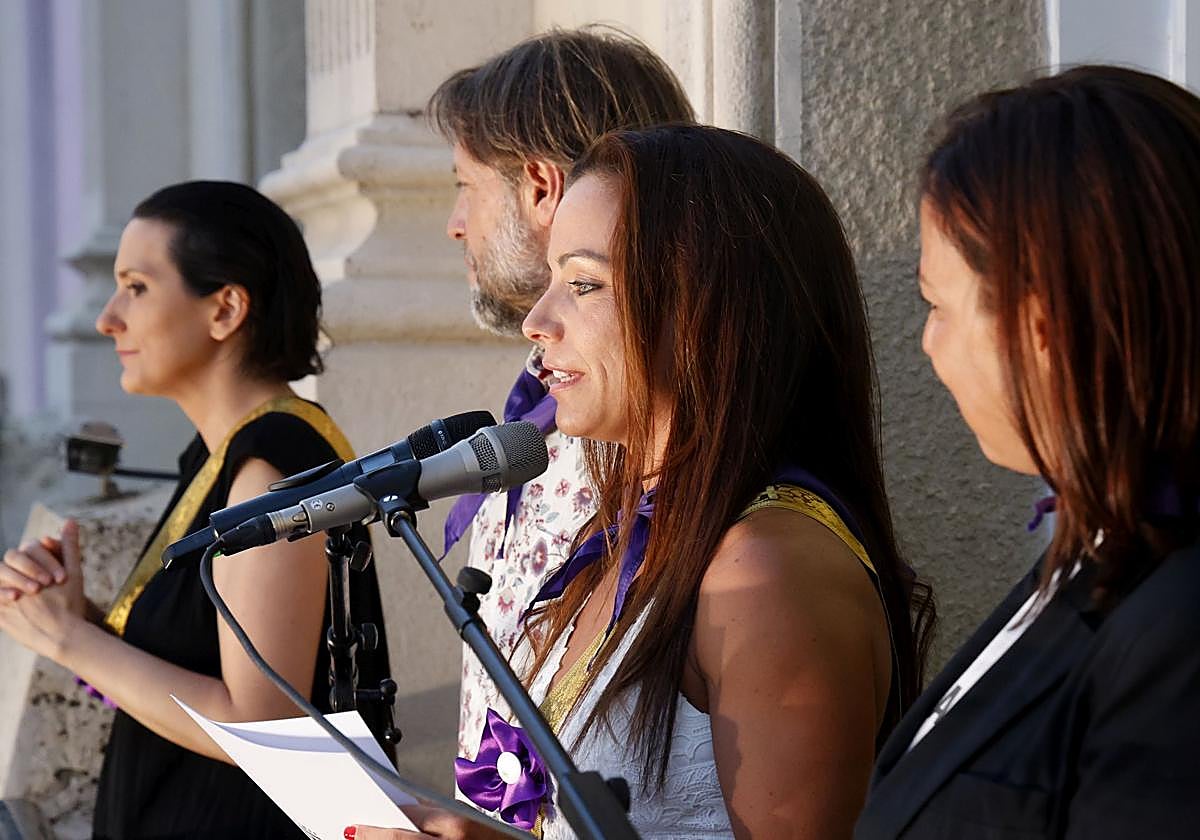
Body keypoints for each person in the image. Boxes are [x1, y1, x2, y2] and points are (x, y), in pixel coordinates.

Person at [352, 125, 935, 840]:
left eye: (584, 284)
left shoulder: (768, 566)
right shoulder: (635, 531)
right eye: (552, 279)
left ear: (705, 311)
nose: (538, 321)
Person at [855, 65, 1200, 839]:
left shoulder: (1178, 627)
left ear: (1043, 326)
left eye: (936, 305)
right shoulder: (1095, 553)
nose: (928, 343)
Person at [0, 181, 392, 839]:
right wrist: (78, 618)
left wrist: (67, 639)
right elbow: (196, 673)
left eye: (136, 287)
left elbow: (263, 722)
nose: (107, 319)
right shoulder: (222, 455)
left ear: (225, 309)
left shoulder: (272, 470)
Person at [424, 26, 694, 762]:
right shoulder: (556, 401)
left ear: (540, 186)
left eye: (465, 186)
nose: (455, 226)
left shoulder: (638, 427)